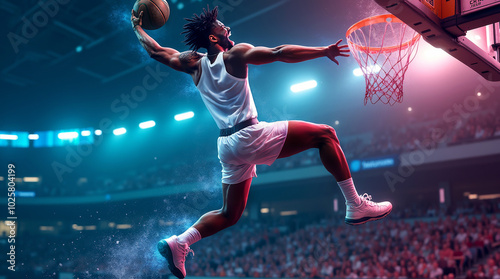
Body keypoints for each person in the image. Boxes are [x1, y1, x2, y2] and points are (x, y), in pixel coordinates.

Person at [131, 7, 392, 279]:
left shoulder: (193, 63)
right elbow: (279, 52)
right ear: (212, 38)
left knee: (229, 214)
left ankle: (180, 241)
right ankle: (354, 205)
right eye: (222, 28)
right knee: (325, 134)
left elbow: (157, 52)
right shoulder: (234, 54)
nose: (228, 29)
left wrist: (136, 28)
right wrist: (322, 51)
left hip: (226, 145)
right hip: (249, 135)